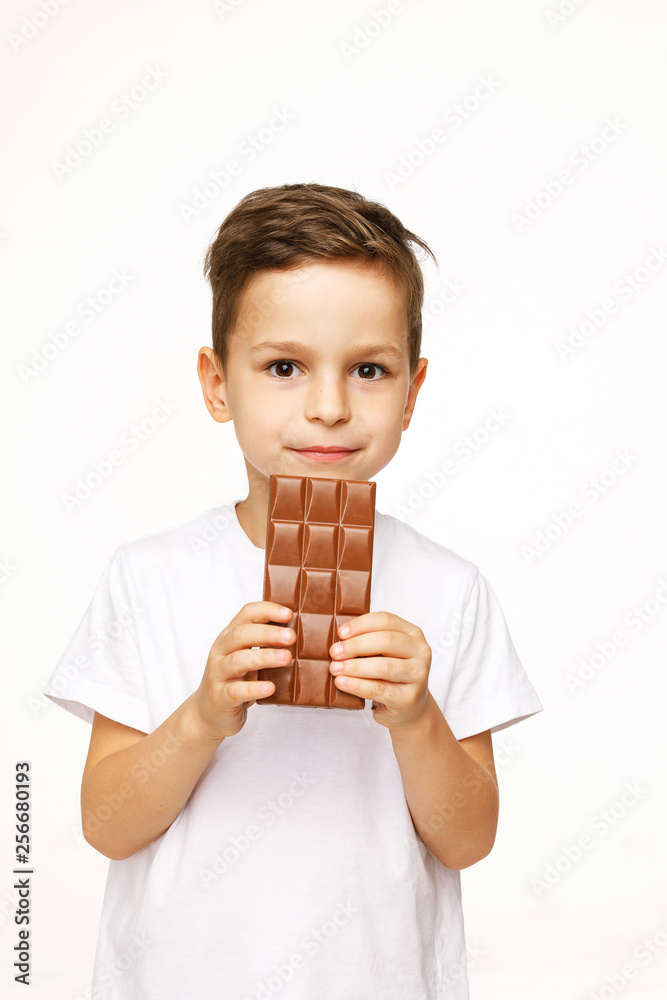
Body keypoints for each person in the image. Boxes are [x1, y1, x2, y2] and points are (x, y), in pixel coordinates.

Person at [43, 182, 543, 1000]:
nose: (328, 407)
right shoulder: (149, 577)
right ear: (215, 383)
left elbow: (467, 840)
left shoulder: (450, 590)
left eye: (368, 370)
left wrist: (416, 720)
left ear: (413, 392)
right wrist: (202, 715)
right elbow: (107, 823)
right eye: (283, 366)